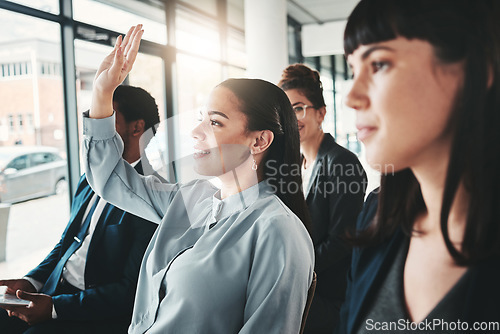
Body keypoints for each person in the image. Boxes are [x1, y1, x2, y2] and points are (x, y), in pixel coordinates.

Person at [82, 25, 314, 333]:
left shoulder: (277, 231)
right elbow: (109, 178)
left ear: (259, 141)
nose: (196, 132)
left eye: (215, 122)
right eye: (200, 118)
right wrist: (102, 92)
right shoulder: (192, 199)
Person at [336, 1, 500, 333]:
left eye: (379, 64)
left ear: (474, 71)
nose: (350, 96)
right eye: (353, 70)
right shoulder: (375, 222)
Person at [0, 85, 159, 334]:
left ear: (136, 127)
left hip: (95, 312)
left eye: (105, 120)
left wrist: (55, 308)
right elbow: (66, 243)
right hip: (55, 290)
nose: (93, 132)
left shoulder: (154, 196)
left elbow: (129, 290)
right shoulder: (88, 180)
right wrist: (31, 280)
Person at [278, 64, 366, 333]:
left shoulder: (342, 162)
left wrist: (295, 270)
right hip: (307, 291)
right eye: (286, 111)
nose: (293, 119)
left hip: (330, 297)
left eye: (299, 108)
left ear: (321, 113)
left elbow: (343, 240)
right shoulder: (298, 164)